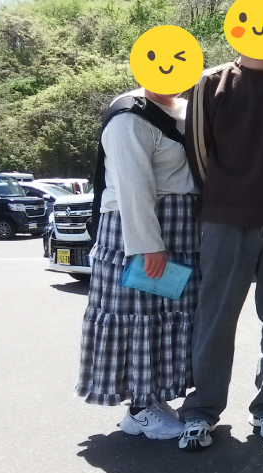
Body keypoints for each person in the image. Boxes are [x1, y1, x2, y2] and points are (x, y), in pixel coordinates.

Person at [177, 40, 263, 451]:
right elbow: (198, 149)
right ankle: (202, 410)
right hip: (226, 217)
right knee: (216, 318)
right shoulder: (211, 83)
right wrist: (227, 194)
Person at [75, 87, 200, 439]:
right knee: (140, 316)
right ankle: (140, 409)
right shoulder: (129, 115)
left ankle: (153, 399)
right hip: (138, 230)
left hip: (179, 229)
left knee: (166, 317)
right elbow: (133, 186)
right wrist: (148, 245)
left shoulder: (186, 108)